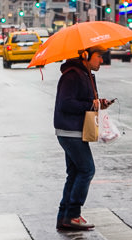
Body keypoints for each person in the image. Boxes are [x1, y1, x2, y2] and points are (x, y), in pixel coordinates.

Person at [53, 46, 113, 231]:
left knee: (75, 173)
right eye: (99, 56)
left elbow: (80, 100)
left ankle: (64, 217)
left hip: (73, 130)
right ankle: (72, 215)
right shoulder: (72, 75)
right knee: (87, 170)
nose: (101, 60)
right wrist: (90, 104)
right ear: (85, 55)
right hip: (70, 131)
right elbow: (66, 103)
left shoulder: (83, 74)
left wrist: (98, 103)